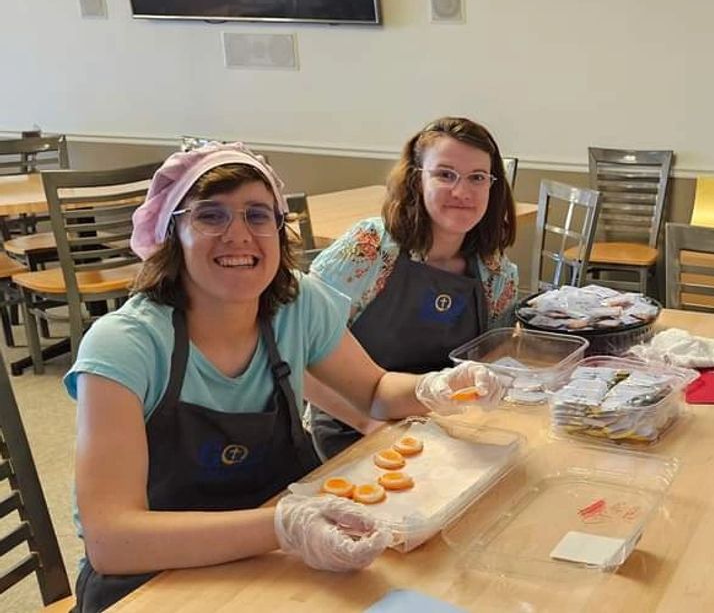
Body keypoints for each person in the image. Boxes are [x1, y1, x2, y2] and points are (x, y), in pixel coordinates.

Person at [67, 143, 503, 613]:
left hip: (275, 564)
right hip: (157, 581)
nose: (239, 235)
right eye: (211, 216)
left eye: (258, 215)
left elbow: (374, 391)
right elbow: (112, 539)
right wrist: (280, 527)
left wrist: (436, 387)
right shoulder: (125, 345)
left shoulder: (295, 305)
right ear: (171, 233)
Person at [306, 116, 519, 459]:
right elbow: (298, 357)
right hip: (353, 427)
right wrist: (369, 424)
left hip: (446, 425)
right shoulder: (367, 250)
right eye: (445, 174)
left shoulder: (497, 274)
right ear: (416, 179)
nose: (462, 192)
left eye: (477, 177)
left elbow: (489, 362)